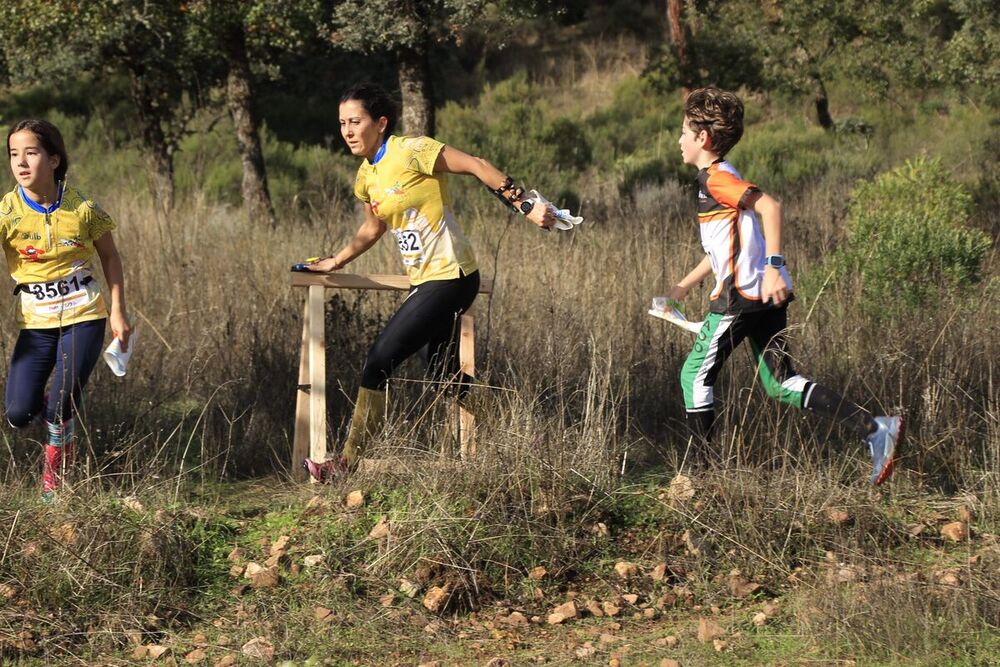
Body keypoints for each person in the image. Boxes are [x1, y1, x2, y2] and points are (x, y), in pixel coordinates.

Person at [302, 83, 553, 480]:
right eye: (342, 123)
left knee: (378, 361)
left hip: (453, 276)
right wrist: (335, 259)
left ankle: (345, 465)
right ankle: (524, 430)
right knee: (444, 378)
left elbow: (476, 163)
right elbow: (372, 229)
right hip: (427, 282)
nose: (347, 131)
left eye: (356, 121)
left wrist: (524, 203)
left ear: (380, 123)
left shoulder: (412, 150)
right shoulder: (366, 176)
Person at [663, 87, 901, 485]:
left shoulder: (716, 180)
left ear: (702, 139)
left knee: (693, 376)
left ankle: (700, 479)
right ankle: (876, 429)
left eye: (684, 132)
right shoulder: (725, 176)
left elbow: (770, 207)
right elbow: (725, 246)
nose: (680, 140)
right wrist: (682, 287)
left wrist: (774, 265)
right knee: (780, 382)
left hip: (741, 300)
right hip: (764, 299)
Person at [2, 119, 131, 502]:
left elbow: (110, 257)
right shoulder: (8, 211)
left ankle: (53, 487)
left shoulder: (83, 208)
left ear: (54, 159)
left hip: (84, 316)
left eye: (31, 152)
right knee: (19, 414)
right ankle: (60, 402)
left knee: (59, 404)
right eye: (13, 154)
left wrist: (119, 312)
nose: (21, 163)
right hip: (36, 324)